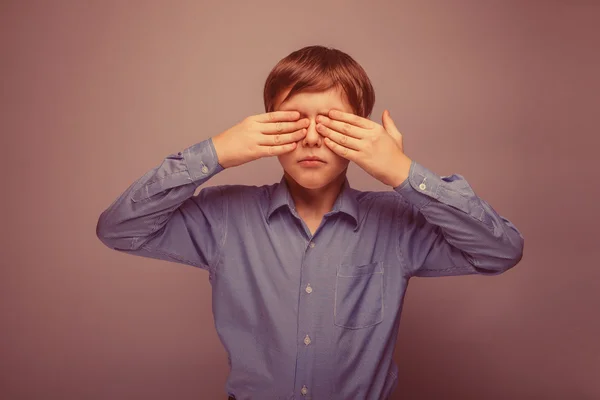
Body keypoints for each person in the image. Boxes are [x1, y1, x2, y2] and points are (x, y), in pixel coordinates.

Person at [96, 45, 524, 400]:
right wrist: (216, 152)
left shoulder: (397, 225)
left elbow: (501, 250)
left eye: (335, 122)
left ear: (363, 130)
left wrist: (403, 173)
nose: (314, 138)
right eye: (295, 119)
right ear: (266, 123)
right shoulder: (223, 217)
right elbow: (118, 228)